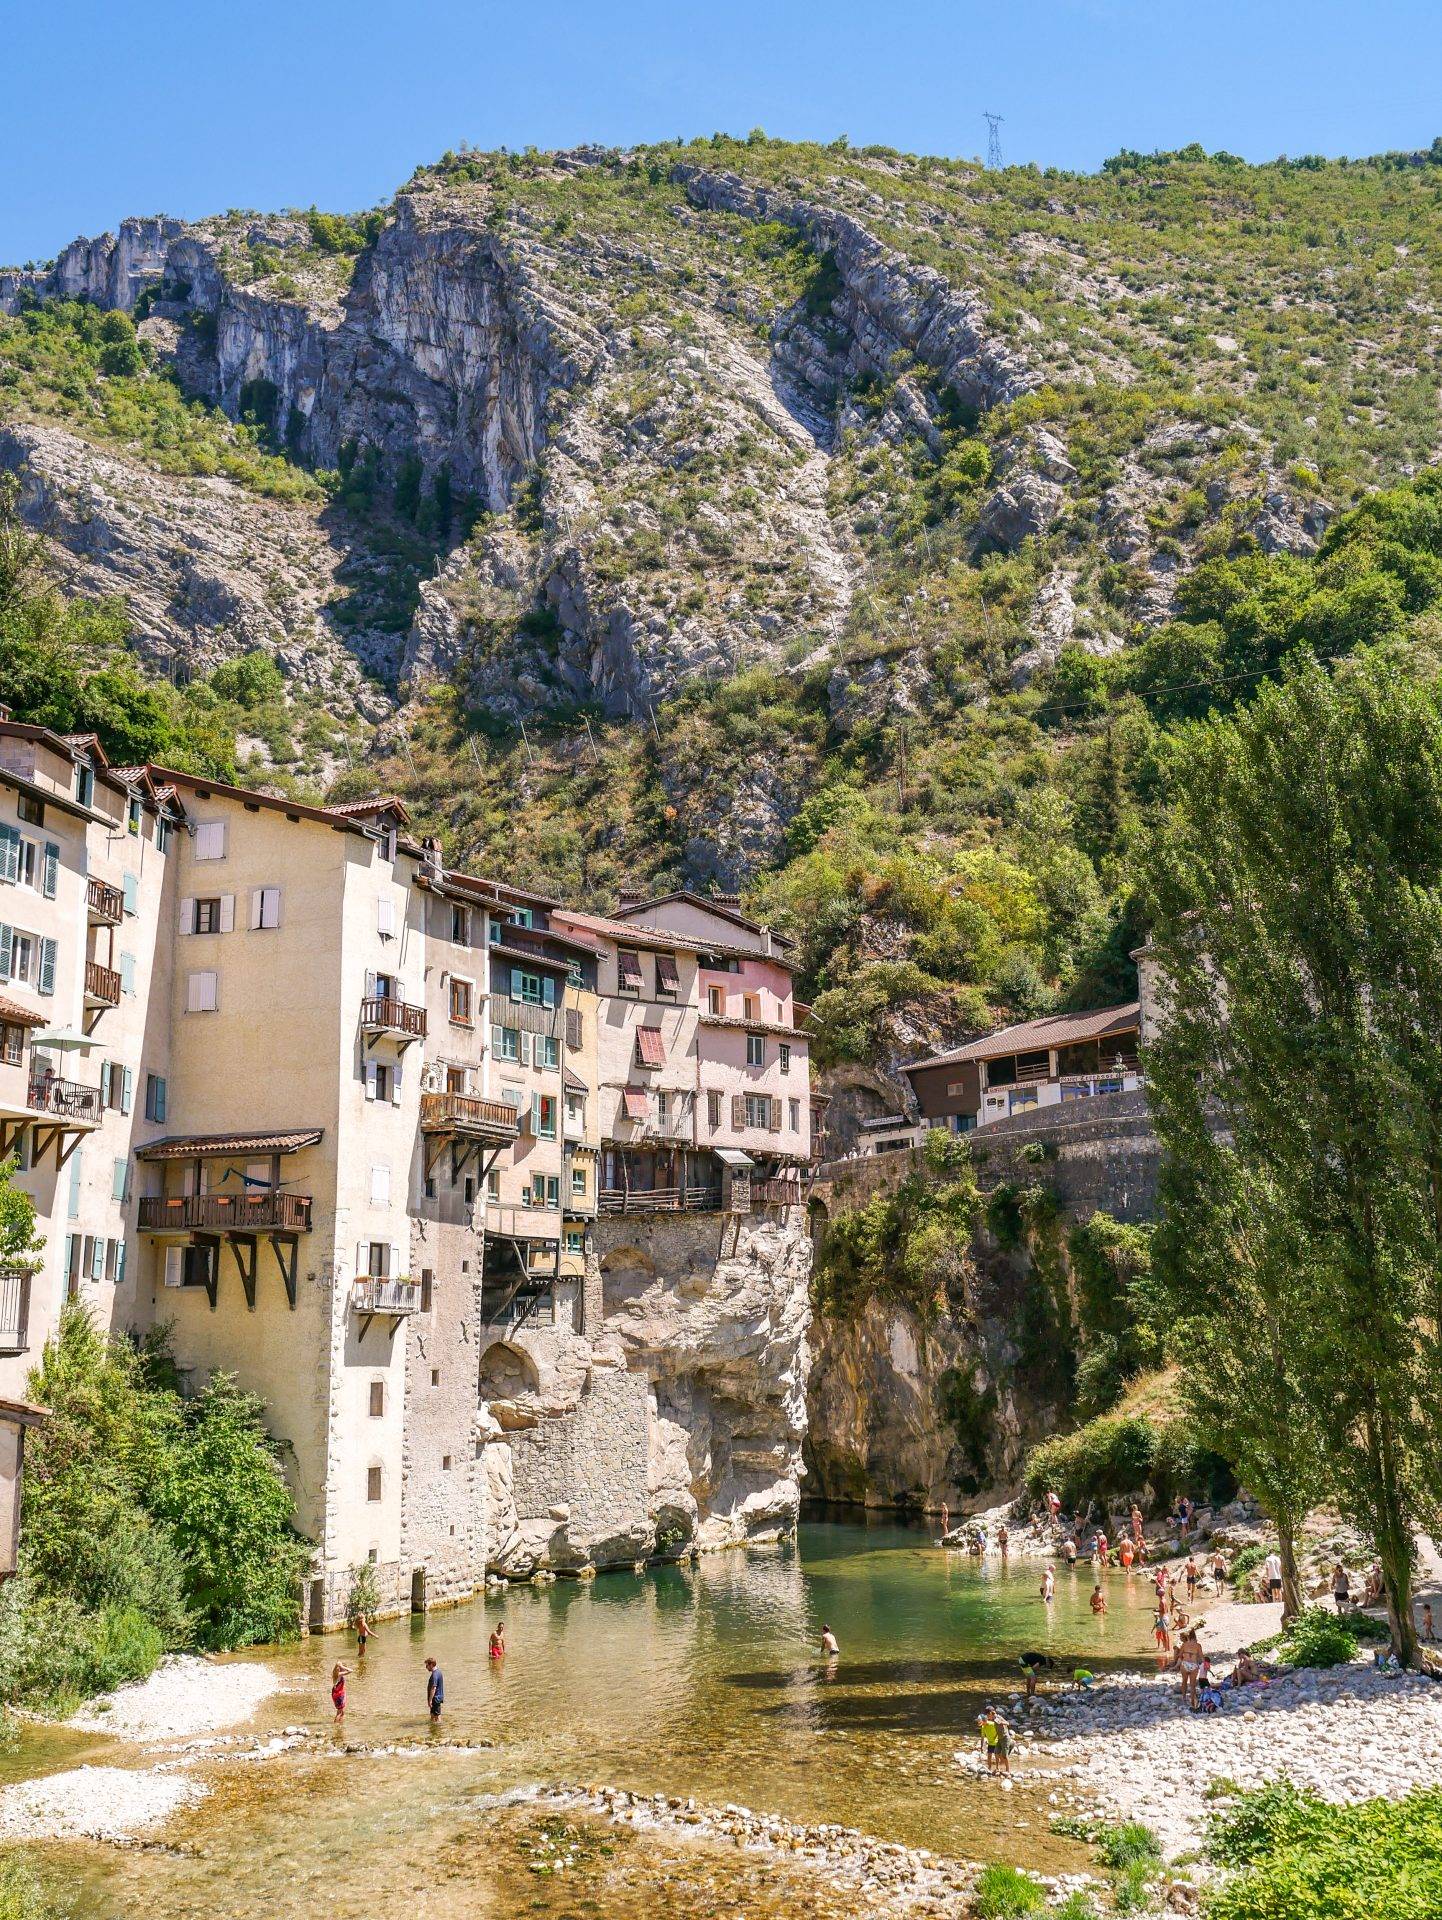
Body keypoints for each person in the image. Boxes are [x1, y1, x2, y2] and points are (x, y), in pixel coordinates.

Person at [1177, 1628, 1203, 1708]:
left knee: (1184, 1681)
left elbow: (1180, 1655)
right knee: (1192, 1684)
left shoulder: (1184, 1644)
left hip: (1185, 1664)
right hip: (1194, 1665)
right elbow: (1201, 1657)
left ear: (1188, 1637)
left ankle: (1184, 1698)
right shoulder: (1198, 1645)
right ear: (1195, 1637)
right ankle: (1192, 1700)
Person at [978, 1708, 1001, 1773]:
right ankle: (989, 1768)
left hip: (996, 1742)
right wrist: (981, 1746)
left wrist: (995, 1737)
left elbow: (998, 1730)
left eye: (981, 1722)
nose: (981, 1724)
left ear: (985, 1720)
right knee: (989, 1756)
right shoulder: (983, 1727)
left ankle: (997, 1767)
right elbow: (982, 1737)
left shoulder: (992, 1724)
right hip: (990, 1743)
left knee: (996, 1756)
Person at [425, 1655, 444, 1723]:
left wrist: (430, 1700)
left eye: (427, 1666)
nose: (426, 1668)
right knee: (432, 1716)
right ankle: (433, 1730)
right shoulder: (438, 1672)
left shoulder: (435, 1675)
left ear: (432, 1665)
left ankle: (439, 1731)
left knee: (437, 1716)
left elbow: (433, 1688)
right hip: (436, 1698)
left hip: (436, 1698)